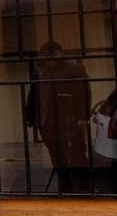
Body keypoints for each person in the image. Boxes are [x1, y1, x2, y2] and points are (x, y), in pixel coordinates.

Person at [24, 41, 91, 192]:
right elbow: (33, 93)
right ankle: (65, 188)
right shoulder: (41, 70)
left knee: (77, 155)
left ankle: (84, 189)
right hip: (46, 122)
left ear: (56, 55)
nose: (42, 60)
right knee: (56, 157)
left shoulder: (74, 69)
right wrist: (29, 115)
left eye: (45, 56)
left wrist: (82, 117)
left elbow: (84, 94)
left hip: (68, 121)